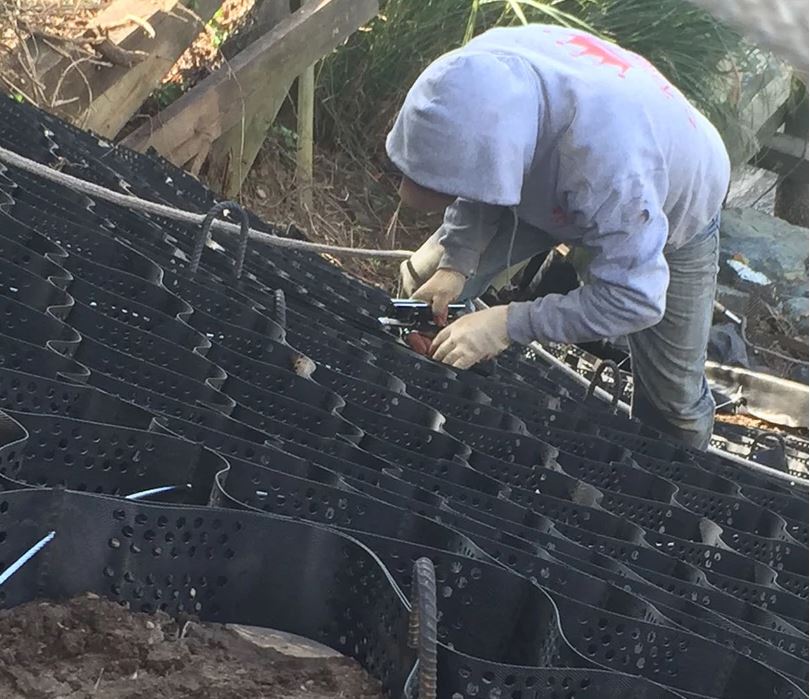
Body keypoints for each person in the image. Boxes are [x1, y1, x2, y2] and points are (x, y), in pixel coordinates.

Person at [385, 24, 730, 450]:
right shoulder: (474, 73)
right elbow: (474, 168)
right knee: (424, 281)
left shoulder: (610, 173)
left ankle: (678, 482)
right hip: (556, 176)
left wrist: (508, 324)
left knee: (674, 404)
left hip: (671, 200)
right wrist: (455, 262)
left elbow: (635, 299)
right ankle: (425, 405)